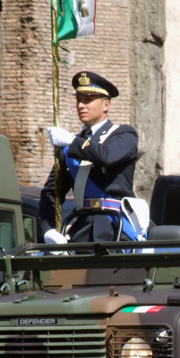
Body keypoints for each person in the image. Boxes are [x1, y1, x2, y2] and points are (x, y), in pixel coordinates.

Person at [40, 71, 142, 243]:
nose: (81, 105)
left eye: (88, 100)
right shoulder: (70, 148)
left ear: (106, 105)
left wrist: (71, 141)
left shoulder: (124, 134)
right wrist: (48, 229)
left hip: (115, 228)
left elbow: (106, 156)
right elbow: (51, 193)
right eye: (79, 100)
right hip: (82, 228)